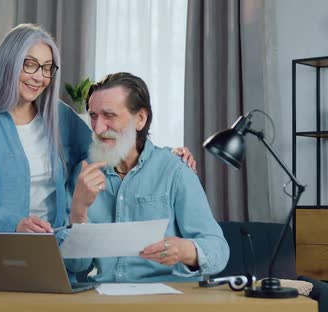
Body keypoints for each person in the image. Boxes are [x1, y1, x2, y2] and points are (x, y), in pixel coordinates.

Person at [0, 24, 197, 283]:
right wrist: (17, 224)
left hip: (51, 255)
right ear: (9, 63)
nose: (40, 77)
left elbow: (106, 146)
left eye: (47, 68)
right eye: (30, 64)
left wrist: (165, 155)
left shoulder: (59, 116)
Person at [63, 72, 229, 282]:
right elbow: (75, 265)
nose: (97, 128)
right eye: (93, 116)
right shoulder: (83, 174)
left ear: (140, 119)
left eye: (109, 115)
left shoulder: (175, 170)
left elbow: (219, 251)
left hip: (166, 300)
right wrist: (79, 210)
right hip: (104, 300)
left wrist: (185, 250)